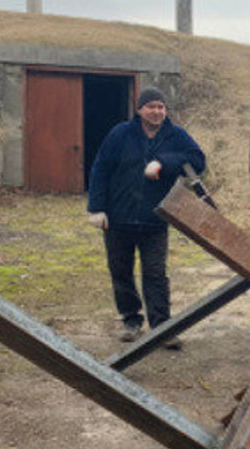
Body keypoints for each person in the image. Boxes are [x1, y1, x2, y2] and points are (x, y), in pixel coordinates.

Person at [87, 86, 206, 346]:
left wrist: (164, 162)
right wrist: (96, 208)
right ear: (140, 109)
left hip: (156, 217)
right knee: (121, 271)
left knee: (155, 273)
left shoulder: (175, 135)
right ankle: (131, 320)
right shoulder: (120, 134)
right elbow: (100, 169)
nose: (156, 111)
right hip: (118, 217)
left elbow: (198, 160)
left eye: (161, 107)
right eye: (151, 106)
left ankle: (162, 327)